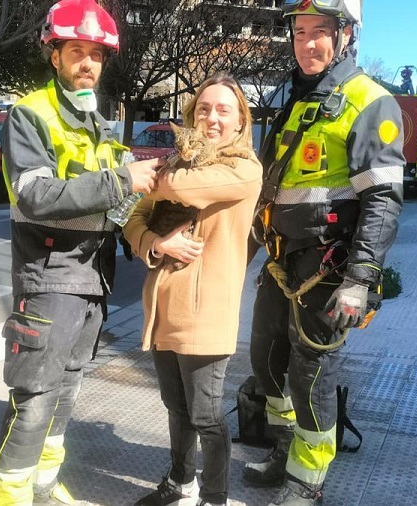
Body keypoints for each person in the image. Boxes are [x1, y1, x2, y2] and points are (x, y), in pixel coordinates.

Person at [0, 1, 161, 504]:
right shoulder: (30, 114)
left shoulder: (98, 123)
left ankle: (43, 487)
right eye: (77, 52)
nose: (88, 64)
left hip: (91, 278)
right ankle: (10, 496)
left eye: (96, 55)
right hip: (49, 277)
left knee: (66, 391)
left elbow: (119, 203)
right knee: (36, 397)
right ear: (55, 55)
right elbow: (35, 196)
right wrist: (121, 179)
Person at [244, 0, 404, 504]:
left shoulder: (369, 100)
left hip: (329, 268)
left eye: (320, 32)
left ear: (344, 37)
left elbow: (383, 199)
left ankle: (305, 481)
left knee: (311, 373)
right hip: (280, 258)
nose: (307, 43)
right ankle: (283, 446)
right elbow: (271, 187)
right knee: (265, 358)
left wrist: (360, 279)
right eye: (300, 32)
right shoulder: (299, 96)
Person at [122, 74, 263, 506]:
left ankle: (214, 496)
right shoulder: (178, 162)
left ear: (241, 122)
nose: (212, 118)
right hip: (163, 309)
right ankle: (180, 482)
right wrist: (155, 242)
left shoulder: (244, 170)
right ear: (191, 116)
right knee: (176, 407)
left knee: (206, 415)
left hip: (207, 313)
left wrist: (143, 175)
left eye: (223, 110)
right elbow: (131, 214)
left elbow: (182, 187)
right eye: (203, 109)